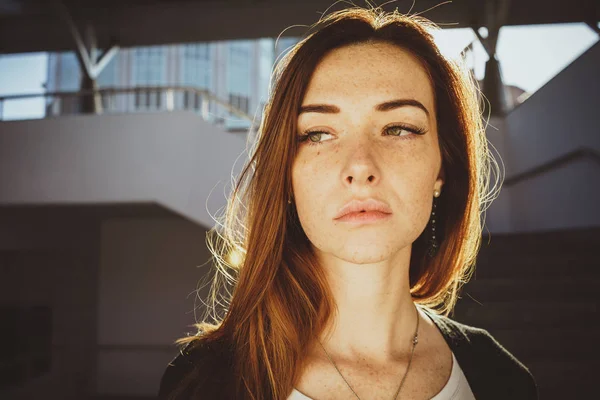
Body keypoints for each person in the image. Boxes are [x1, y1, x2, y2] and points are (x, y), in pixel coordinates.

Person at [159, 5, 538, 400]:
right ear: (286, 175)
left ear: (442, 168)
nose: (360, 167)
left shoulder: (503, 380)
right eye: (319, 134)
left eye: (398, 129)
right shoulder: (200, 381)